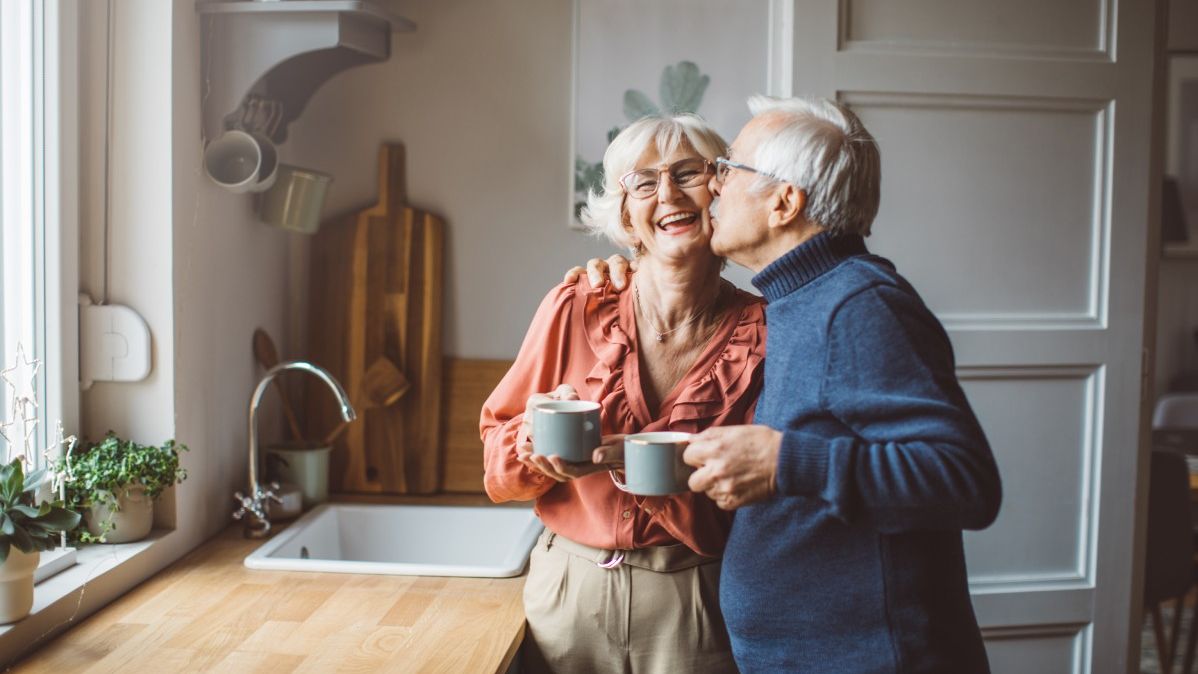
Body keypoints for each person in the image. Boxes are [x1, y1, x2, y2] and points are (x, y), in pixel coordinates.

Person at [573, 96, 1003, 673]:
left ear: (783, 202)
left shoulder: (860, 305)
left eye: (728, 170)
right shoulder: (799, 299)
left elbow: (965, 480)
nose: (714, 188)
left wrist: (784, 464)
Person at [480, 113, 767, 674]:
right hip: (569, 592)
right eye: (643, 182)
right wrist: (529, 443)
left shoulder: (765, 332)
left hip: (697, 599)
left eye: (688, 173)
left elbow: (767, 499)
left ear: (720, 191)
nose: (667, 194)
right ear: (627, 216)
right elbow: (495, 459)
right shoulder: (575, 304)